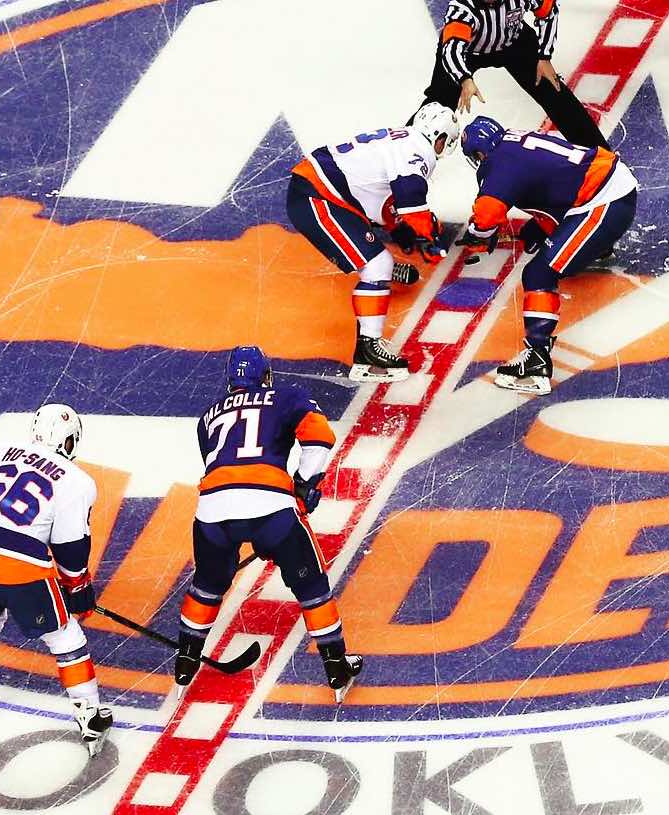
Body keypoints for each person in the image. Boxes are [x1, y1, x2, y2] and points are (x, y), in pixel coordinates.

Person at [178, 346, 362, 703]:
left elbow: (220, 467)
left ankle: (185, 659)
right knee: (313, 587)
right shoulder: (287, 395)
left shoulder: (208, 416)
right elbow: (321, 436)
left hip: (213, 513)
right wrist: (304, 485)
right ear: (265, 376)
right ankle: (336, 665)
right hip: (271, 508)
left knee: (208, 586)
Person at [0, 404, 111, 755]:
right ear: (71, 440)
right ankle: (89, 714)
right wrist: (78, 589)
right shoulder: (78, 481)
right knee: (65, 637)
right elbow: (71, 548)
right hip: (21, 568)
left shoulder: (2, 450)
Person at [457, 116, 638, 395]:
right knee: (545, 242)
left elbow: (486, 217)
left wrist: (476, 236)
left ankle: (536, 362)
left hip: (604, 201)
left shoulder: (497, 163)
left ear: (479, 152)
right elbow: (551, 183)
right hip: (606, 186)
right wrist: (539, 227)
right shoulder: (515, 140)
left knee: (539, 273)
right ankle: (596, 244)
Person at [287, 103, 459, 383]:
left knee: (378, 262)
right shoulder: (420, 150)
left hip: (325, 192)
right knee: (378, 265)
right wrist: (430, 237)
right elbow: (410, 198)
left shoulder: (403, 137)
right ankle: (367, 353)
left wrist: (402, 228)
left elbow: (382, 198)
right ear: (440, 137)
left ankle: (380, 275)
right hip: (319, 197)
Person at [413, 0, 608, 150]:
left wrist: (544, 56)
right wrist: (464, 78)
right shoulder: (462, 7)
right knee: (438, 105)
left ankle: (600, 154)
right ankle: (407, 154)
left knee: (555, 92)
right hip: (468, 53)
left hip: (514, 43)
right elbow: (451, 50)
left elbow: (548, 10)